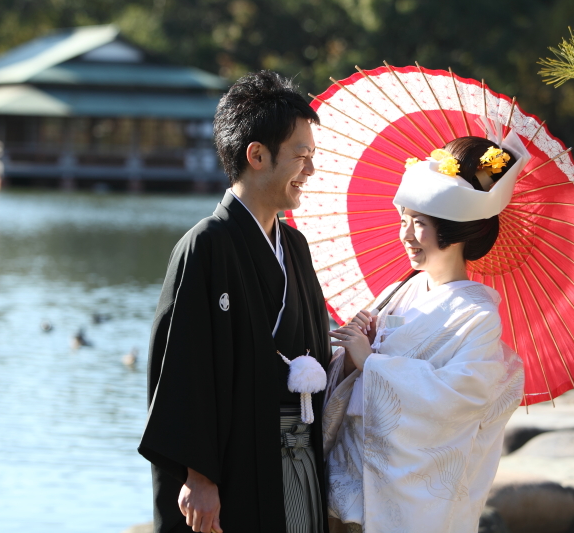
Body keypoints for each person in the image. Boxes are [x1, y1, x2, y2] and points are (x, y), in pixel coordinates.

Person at [138, 71, 331, 533]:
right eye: (301, 156)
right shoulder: (206, 245)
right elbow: (183, 369)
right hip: (231, 464)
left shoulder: (296, 248)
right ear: (257, 155)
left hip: (297, 458)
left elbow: (310, 350)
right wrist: (200, 477)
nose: (310, 170)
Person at [322, 133, 529, 533]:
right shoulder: (397, 292)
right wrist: (350, 355)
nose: (405, 235)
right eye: (403, 220)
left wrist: (371, 361)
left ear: (454, 230)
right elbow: (354, 376)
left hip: (403, 498)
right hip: (348, 479)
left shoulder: (477, 315)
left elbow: (459, 399)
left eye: (418, 223)